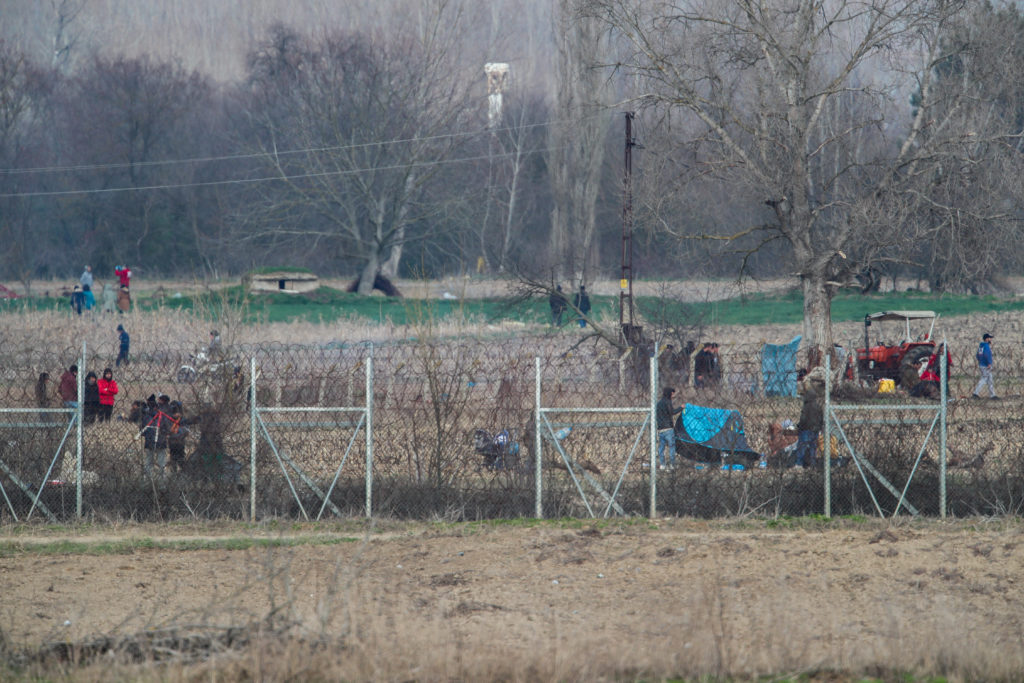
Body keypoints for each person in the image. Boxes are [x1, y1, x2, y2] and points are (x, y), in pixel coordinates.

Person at [794, 376, 824, 467]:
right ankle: (812, 463)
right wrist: (820, 428)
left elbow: (803, 419)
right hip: (815, 430)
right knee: (812, 447)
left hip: (806, 429)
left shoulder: (807, 406)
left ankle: (799, 463)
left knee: (802, 446)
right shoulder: (818, 407)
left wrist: (799, 426)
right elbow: (821, 419)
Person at [656, 386, 683, 469]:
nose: (673, 396)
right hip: (668, 428)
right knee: (672, 447)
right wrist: (681, 408)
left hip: (660, 429)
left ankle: (662, 464)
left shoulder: (659, 403)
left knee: (661, 448)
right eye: (672, 394)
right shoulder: (668, 402)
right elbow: (672, 412)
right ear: (669, 393)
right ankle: (672, 465)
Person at [973, 333, 997, 399]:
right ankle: (975, 393)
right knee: (984, 379)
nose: (990, 339)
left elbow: (977, 355)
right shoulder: (986, 346)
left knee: (990, 379)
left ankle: (992, 395)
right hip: (986, 365)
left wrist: (981, 361)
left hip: (982, 364)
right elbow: (987, 355)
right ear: (986, 339)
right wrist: (989, 363)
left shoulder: (981, 346)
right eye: (989, 338)